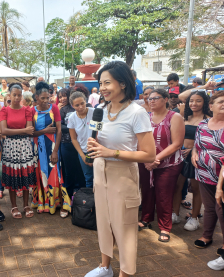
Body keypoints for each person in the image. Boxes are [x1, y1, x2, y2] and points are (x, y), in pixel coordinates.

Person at [85, 61, 156, 277]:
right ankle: (105, 266)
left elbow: (149, 155)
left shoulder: (137, 113)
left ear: (123, 83)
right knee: (104, 222)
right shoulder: (99, 110)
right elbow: (94, 138)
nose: (102, 87)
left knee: (124, 229)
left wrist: (111, 153)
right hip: (100, 172)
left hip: (123, 176)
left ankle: (126, 272)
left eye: (107, 82)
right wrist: (94, 147)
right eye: (100, 83)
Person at [138, 89, 185, 242]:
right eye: (149, 98)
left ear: (165, 99)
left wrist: (155, 159)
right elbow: (140, 139)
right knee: (147, 190)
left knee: (164, 195)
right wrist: (146, 159)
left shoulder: (175, 117)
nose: (151, 101)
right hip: (146, 162)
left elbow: (177, 143)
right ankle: (146, 219)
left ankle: (165, 227)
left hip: (168, 164)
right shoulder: (146, 117)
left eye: (155, 98)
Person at [191, 91, 224, 268]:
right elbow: (197, 144)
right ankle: (207, 236)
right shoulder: (203, 124)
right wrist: (194, 153)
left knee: (222, 211)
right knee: (210, 208)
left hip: (222, 178)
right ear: (211, 106)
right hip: (203, 174)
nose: (223, 104)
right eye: (220, 102)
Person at [172, 90, 211, 231]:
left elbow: (208, 140)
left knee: (196, 189)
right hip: (181, 155)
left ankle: (194, 218)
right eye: (191, 101)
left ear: (205, 102)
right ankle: (175, 214)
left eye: (198, 100)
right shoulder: (184, 117)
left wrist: (194, 148)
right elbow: (177, 134)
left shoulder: (208, 119)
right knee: (177, 185)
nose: (194, 103)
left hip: (197, 157)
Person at [31, 82, 69, 216]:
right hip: (38, 147)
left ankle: (56, 202)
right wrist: (44, 130)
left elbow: (59, 131)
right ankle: (43, 202)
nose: (46, 100)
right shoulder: (32, 110)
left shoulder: (54, 108)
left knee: (55, 171)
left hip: (53, 145)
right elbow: (31, 132)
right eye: (43, 98)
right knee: (41, 172)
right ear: (36, 97)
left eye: (48, 97)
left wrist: (55, 151)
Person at [0, 83, 36, 219]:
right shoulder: (4, 111)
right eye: (14, 95)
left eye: (19, 95)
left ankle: (26, 204)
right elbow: (3, 130)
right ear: (9, 95)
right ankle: (14, 205)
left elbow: (30, 129)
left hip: (25, 145)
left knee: (25, 173)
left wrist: (23, 131)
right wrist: (23, 131)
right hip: (10, 146)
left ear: (22, 95)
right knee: (12, 175)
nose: (16, 97)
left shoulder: (27, 110)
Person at [59, 88, 85, 199]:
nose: (62, 98)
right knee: (68, 171)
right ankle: (67, 198)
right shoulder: (63, 110)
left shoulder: (83, 108)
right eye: (60, 96)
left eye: (64, 95)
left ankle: (81, 197)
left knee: (80, 170)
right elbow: (59, 126)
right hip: (67, 143)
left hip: (81, 144)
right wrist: (73, 128)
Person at [68, 92, 95, 189]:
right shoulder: (72, 118)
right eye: (77, 105)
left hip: (97, 150)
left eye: (82, 103)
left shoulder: (95, 112)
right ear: (72, 106)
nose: (80, 107)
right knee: (88, 178)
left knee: (100, 177)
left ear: (86, 101)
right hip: (83, 151)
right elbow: (74, 139)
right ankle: (91, 202)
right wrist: (82, 155)